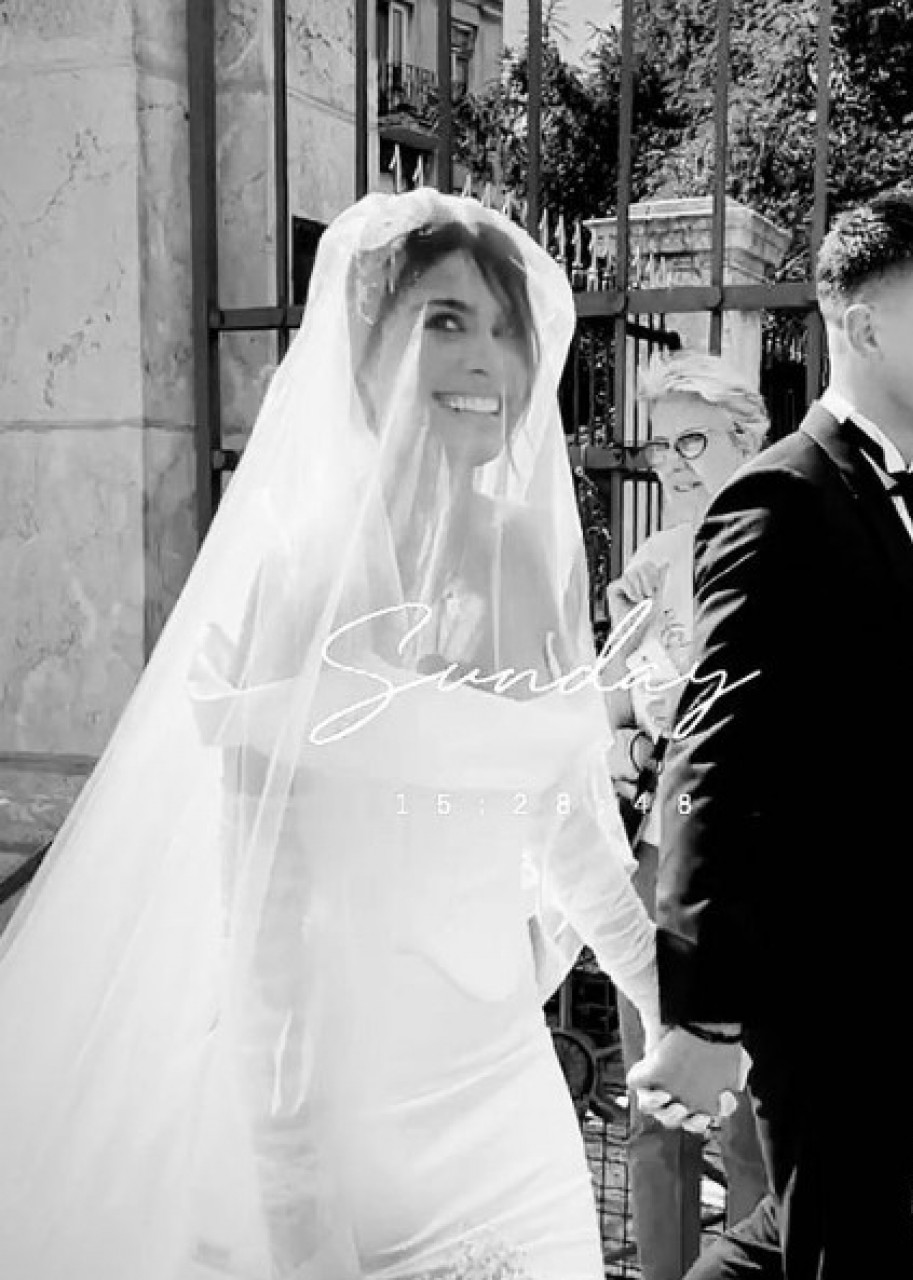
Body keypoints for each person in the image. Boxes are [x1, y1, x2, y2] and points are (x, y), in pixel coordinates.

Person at [0, 190, 662, 1280]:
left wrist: (670, 1001)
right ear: (364, 350)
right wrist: (298, 1206)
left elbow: (561, 829)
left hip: (506, 1100)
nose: (486, 357)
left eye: (505, 328)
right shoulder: (304, 578)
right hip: (350, 1124)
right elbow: (262, 926)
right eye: (445, 319)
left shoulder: (522, 561)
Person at [628, 191, 913, 1279]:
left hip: (882, 959)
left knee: (814, 1233)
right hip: (816, 973)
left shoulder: (898, 494)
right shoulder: (782, 499)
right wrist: (705, 1019)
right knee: (840, 1242)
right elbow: (713, 758)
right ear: (870, 327)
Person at [603, 351, 770, 1280]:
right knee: (654, 1107)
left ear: (749, 437)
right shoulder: (654, 562)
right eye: (660, 445)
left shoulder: (788, 544)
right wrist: (635, 730)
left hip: (752, 870)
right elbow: (609, 710)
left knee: (750, 1122)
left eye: (692, 440)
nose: (671, 461)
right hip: (656, 862)